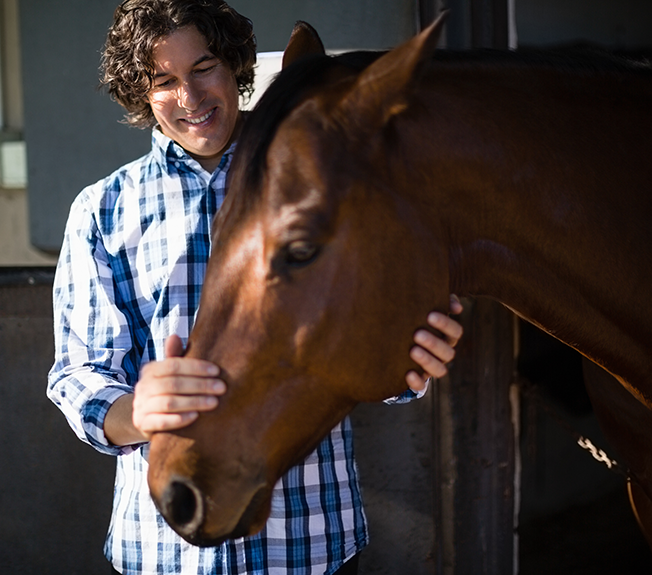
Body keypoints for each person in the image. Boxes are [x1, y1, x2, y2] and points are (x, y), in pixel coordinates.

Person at [47, 1, 464, 573]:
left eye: (203, 67)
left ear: (236, 66)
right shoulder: (101, 211)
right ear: (140, 95)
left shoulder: (317, 182)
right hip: (164, 549)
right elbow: (79, 376)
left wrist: (409, 360)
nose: (189, 97)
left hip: (310, 539)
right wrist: (140, 409)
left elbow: (375, 345)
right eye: (163, 81)